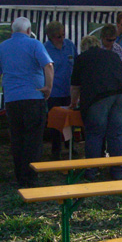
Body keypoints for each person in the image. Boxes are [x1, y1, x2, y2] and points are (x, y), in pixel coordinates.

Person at [0, 17, 54, 188]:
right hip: (33, 97)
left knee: (17, 139)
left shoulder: (3, 47)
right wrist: (48, 87)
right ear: (29, 30)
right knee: (33, 139)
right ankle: (30, 178)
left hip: (12, 99)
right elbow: (48, 66)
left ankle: (19, 175)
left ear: (12, 31)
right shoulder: (35, 44)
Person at [70, 35, 122, 180]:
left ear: (83, 48)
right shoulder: (112, 55)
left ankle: (92, 171)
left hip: (100, 95)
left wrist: (73, 103)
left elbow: (75, 87)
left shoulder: (82, 58)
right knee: (117, 133)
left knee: (95, 133)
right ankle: (117, 172)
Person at [43, 21, 78, 160]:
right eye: (58, 36)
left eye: (63, 35)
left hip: (69, 90)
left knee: (71, 120)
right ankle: (55, 149)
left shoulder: (69, 45)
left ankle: (70, 146)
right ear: (50, 36)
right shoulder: (45, 48)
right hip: (53, 92)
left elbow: (77, 64)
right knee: (55, 122)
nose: (62, 38)